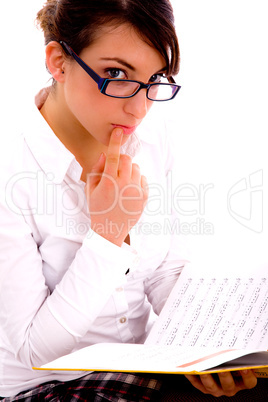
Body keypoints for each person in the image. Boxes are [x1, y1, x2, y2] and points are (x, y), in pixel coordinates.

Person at [0, 0, 262, 400]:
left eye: (154, 77)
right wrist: (108, 235)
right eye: (116, 73)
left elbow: (163, 271)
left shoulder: (153, 140)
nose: (138, 108)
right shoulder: (10, 172)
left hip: (137, 366)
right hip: (42, 386)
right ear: (58, 61)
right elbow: (36, 352)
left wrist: (208, 349)